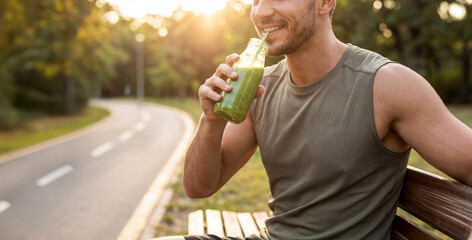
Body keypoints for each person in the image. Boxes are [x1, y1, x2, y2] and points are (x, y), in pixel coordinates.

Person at [156, 0, 472, 239]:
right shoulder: (260, 87)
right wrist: (211, 120)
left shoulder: (387, 86)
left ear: (325, 2)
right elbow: (198, 187)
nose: (261, 11)